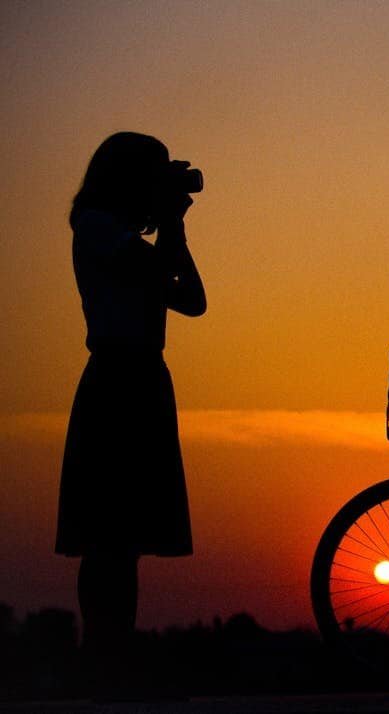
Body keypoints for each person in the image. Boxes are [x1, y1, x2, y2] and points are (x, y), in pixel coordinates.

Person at [55, 132, 206, 683]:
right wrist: (169, 222)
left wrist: (175, 226)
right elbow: (158, 276)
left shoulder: (120, 235)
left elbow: (193, 300)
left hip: (143, 379)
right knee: (107, 538)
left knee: (128, 538)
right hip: (117, 379)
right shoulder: (96, 227)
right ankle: (103, 660)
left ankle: (112, 661)